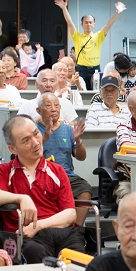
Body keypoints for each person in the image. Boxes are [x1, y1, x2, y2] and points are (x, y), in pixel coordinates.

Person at [0, 116, 85, 265]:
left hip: (63, 233)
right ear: (12, 149)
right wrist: (22, 198)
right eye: (26, 140)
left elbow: (70, 214)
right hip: (28, 237)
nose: (36, 142)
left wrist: (39, 225)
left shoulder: (57, 170)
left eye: (36, 134)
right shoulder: (3, 170)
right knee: (36, 255)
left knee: (79, 264)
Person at [33, 93, 91, 225]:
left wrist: (77, 139)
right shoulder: (33, 130)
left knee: (85, 190)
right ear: (39, 111)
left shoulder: (68, 129)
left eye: (57, 105)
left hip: (67, 175)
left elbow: (81, 157)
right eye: (48, 106)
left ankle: (76, 230)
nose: (54, 109)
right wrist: (43, 139)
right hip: (42, 175)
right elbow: (28, 156)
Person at [55, 0, 125, 88]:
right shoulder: (77, 37)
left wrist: (117, 12)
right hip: (81, 69)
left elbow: (109, 25)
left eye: (90, 22)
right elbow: (70, 22)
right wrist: (64, 8)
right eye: (86, 22)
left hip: (95, 69)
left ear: (94, 24)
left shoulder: (98, 36)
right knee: (81, 91)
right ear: (82, 24)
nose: (88, 24)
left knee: (96, 91)